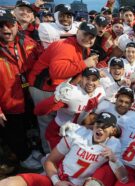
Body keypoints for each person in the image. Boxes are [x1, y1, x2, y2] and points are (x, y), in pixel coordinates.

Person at [28, 22, 99, 154]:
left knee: (57, 122)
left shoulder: (82, 46)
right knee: (47, 122)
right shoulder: (65, 46)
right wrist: (84, 63)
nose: (88, 39)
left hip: (58, 87)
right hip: (44, 88)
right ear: (77, 32)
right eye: (85, 34)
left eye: (91, 37)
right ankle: (48, 153)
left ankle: (57, 150)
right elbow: (57, 72)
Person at [0, 9, 41, 172]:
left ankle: (31, 152)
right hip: (8, 104)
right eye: (0, 26)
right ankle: (23, 158)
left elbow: (43, 62)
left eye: (9, 24)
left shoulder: (28, 43)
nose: (5, 29)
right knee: (14, 133)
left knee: (29, 127)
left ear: (16, 25)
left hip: (29, 96)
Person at [34, 68, 105, 150]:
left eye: (94, 80)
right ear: (81, 78)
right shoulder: (71, 93)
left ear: (98, 81)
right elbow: (38, 111)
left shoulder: (100, 92)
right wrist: (55, 98)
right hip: (59, 132)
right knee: (57, 160)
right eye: (87, 78)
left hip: (77, 131)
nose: (90, 82)